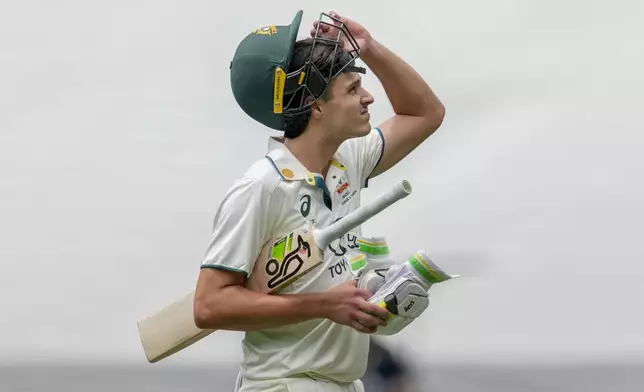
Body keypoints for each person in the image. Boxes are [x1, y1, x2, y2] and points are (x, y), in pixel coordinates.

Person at [193, 9, 445, 392]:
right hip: (283, 384)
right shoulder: (261, 187)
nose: (369, 95)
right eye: (352, 89)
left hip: (342, 383)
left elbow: (426, 113)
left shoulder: (349, 162)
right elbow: (209, 306)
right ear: (316, 106)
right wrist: (325, 305)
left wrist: (370, 47)